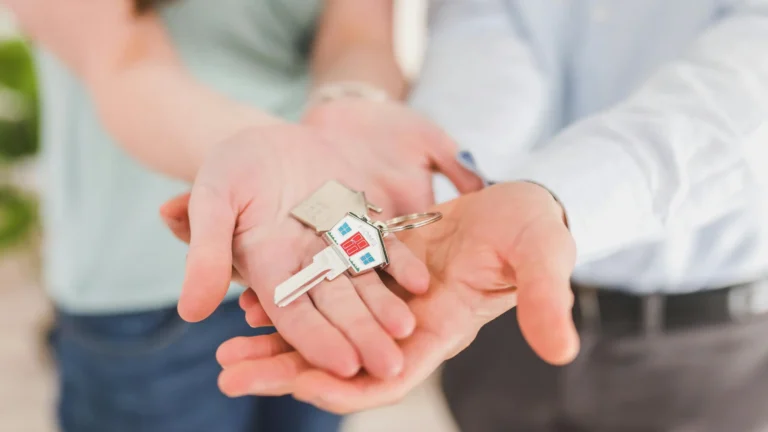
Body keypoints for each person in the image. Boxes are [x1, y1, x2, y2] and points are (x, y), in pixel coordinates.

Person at [164, 0, 768, 431]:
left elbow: (747, 81)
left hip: (704, 339)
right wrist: (437, 167)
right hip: (478, 305)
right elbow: (489, 21)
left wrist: (555, 198)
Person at [3, 0, 481, 431]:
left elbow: (360, 35)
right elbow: (123, 63)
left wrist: (351, 102)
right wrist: (268, 154)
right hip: (144, 281)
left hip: (308, 247)